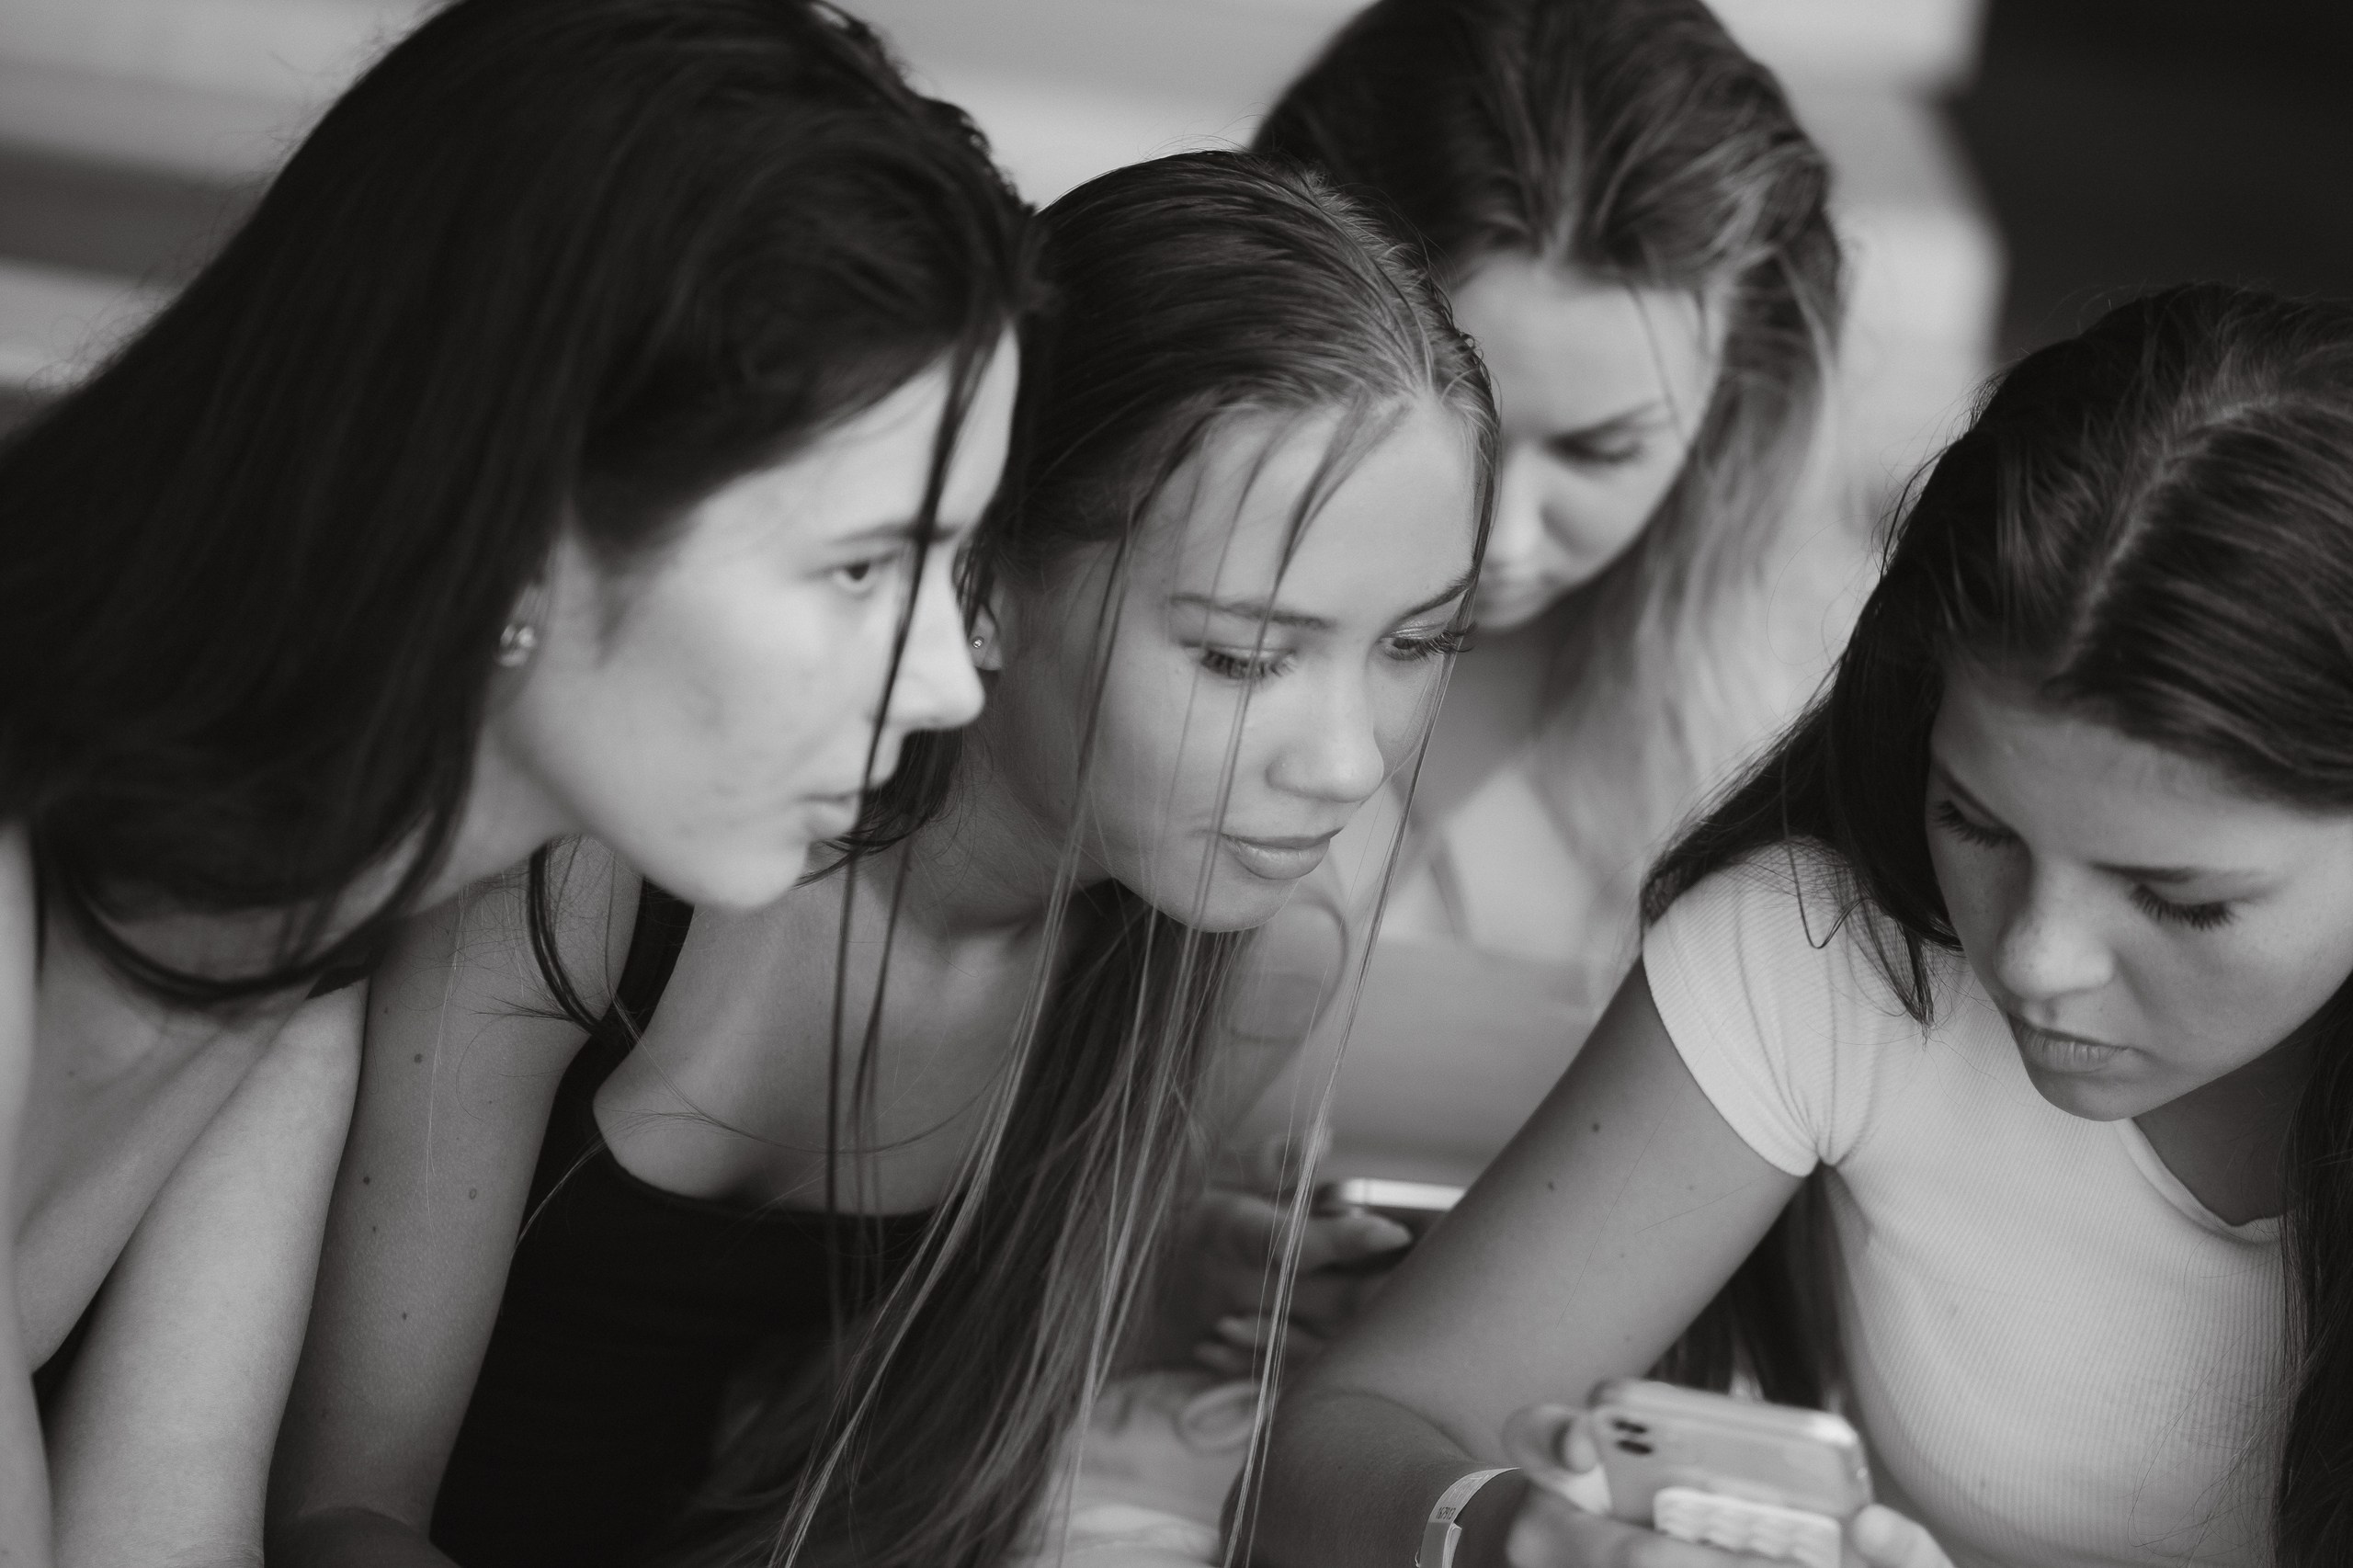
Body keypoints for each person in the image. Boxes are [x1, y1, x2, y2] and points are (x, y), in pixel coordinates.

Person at [270, 150, 1494, 1568]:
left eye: (1419, 643)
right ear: (981, 578)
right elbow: (336, 1510)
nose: (1346, 762)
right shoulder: (593, 870)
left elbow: (935, 1437)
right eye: (1241, 654)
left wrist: (1190, 1289)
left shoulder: (1251, 960)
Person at [0, 2, 1028, 1562]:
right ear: (512, 512)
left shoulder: (301, 925)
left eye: (958, 562)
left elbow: (161, 1523)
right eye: (862, 564)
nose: (950, 679)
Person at [1252, 283, 2353, 1568]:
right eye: (1978, 823)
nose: (2034, 959)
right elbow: (1354, 1435)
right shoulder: (1834, 950)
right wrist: (1525, 1539)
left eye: (2180, 897)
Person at [1251, 0, 1859, 1172]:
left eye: (1602, 449)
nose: (1498, 537)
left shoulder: (1823, 712)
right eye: (1449, 430)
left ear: (1743, 392)